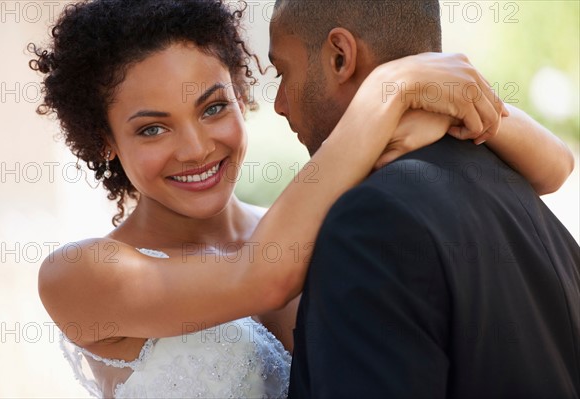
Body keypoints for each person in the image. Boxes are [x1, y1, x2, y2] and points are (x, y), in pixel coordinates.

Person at [31, 1, 573, 398]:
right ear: (104, 140)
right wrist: (391, 89)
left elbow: (556, 166)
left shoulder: (310, 223)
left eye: (214, 108)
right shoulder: (81, 274)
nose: (195, 148)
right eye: (152, 130)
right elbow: (262, 277)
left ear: (243, 96)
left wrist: (435, 103)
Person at [267, 1, 580, 398]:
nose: (278, 103)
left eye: (283, 72)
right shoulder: (519, 194)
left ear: (340, 57)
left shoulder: (369, 226)